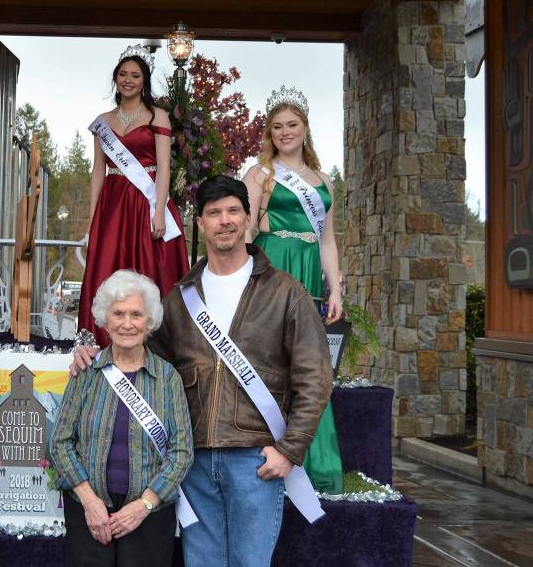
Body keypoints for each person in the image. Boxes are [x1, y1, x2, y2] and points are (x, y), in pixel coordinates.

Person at [73, 176, 332, 567]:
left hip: (256, 461)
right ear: (201, 223)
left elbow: (315, 377)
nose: (224, 221)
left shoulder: (285, 292)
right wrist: (93, 352)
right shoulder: (180, 297)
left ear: (248, 219)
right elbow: (142, 357)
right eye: (214, 213)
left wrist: (289, 450)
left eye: (233, 211)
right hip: (193, 464)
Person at [51, 270, 192, 567]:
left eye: (136, 314)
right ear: (105, 319)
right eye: (118, 314)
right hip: (89, 513)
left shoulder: (168, 378)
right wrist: (90, 502)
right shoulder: (86, 372)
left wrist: (143, 505)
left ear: (149, 321)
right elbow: (61, 442)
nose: (127, 323)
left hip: (149, 517)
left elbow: (182, 452)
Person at [243, 85, 344, 494]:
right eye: (277, 126)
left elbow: (329, 241)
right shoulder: (259, 174)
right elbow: (245, 229)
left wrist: (334, 290)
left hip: (308, 271)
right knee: (268, 355)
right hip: (272, 264)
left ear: (305, 129)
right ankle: (262, 451)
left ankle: (314, 460)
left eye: (292, 125)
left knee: (310, 361)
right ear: (270, 132)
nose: (285, 132)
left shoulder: (323, 181)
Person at [77, 45, 189, 347]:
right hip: (112, 206)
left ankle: (156, 345)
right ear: (116, 79)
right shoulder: (102, 121)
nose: (128, 80)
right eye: (123, 74)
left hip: (147, 200)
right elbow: (97, 171)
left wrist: (159, 210)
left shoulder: (158, 116)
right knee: (107, 268)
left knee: (151, 269)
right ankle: (100, 341)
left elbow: (164, 167)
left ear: (144, 81)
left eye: (135, 75)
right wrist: (92, 222)